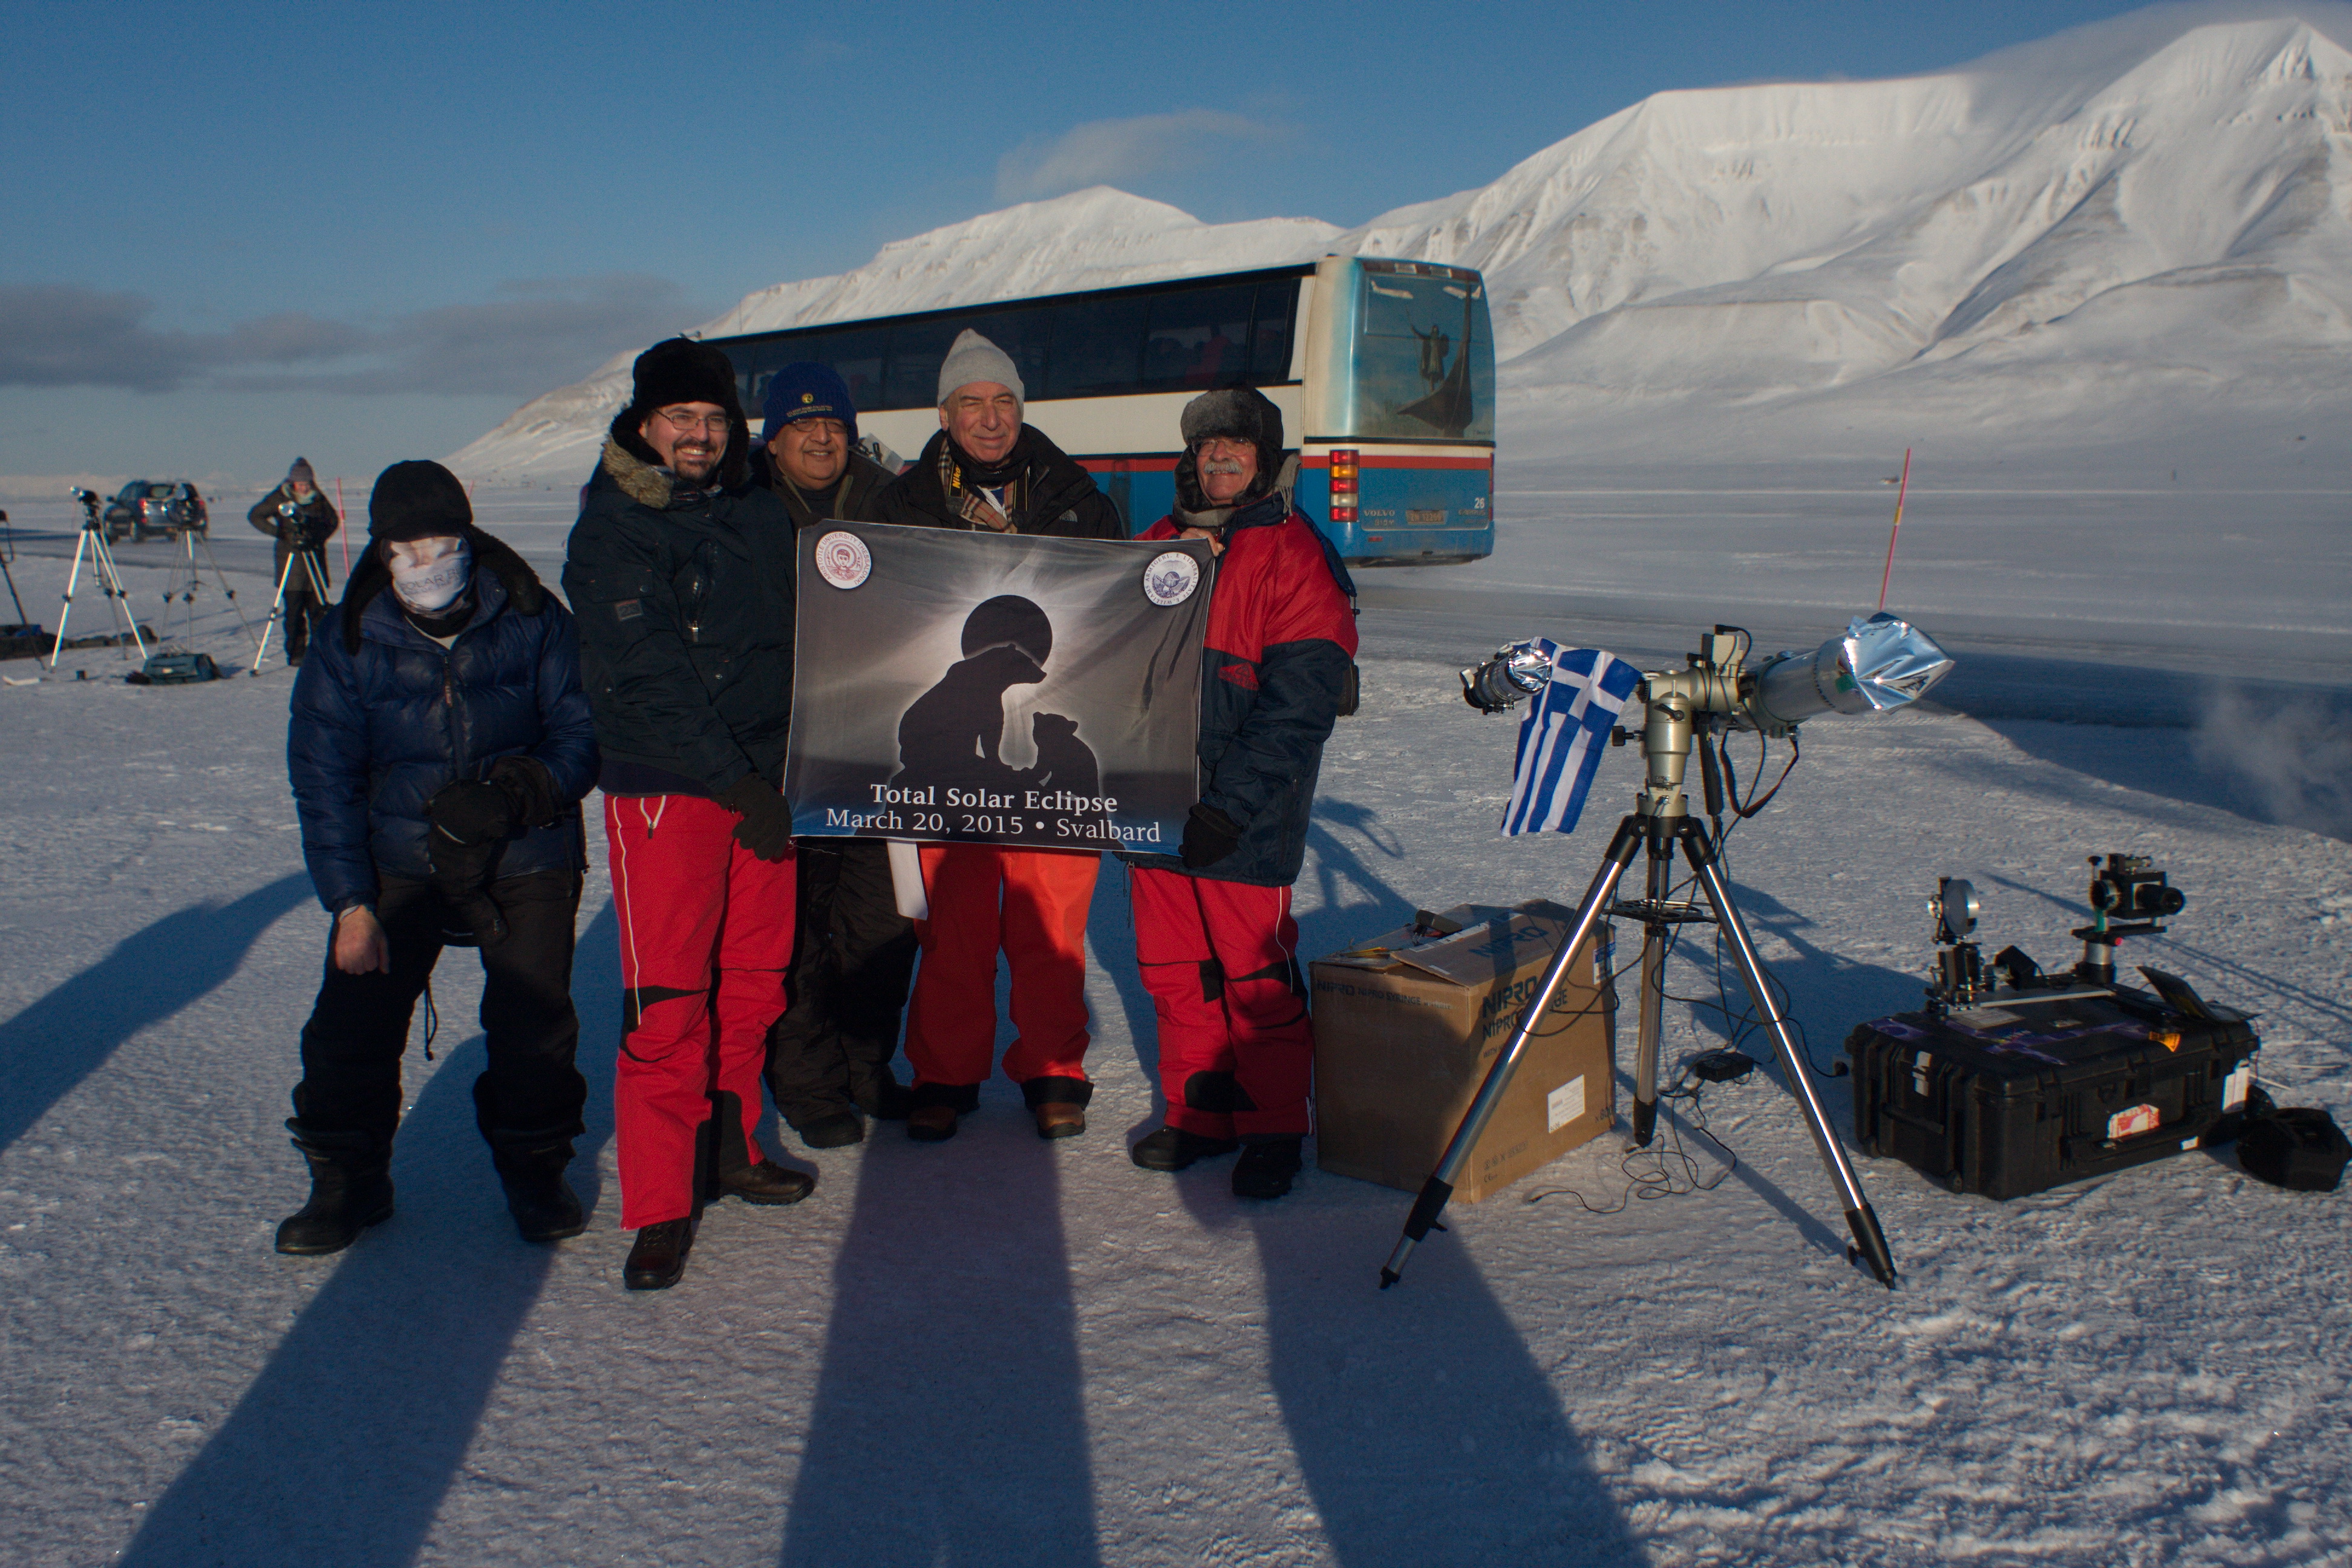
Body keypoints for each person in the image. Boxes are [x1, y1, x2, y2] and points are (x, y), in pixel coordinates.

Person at [278, 460, 599, 1255]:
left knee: (534, 1029)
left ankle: (534, 1170)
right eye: (406, 547)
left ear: (469, 534)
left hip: (525, 853)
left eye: (442, 541)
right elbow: (324, 780)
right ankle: (349, 1181)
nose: (427, 561)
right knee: (349, 1029)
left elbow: (582, 736)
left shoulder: (533, 615)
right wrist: (352, 904)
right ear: (381, 552)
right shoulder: (349, 638)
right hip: (399, 859)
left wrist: (516, 793)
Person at [563, 336, 811, 1292]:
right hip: (671, 785)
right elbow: (647, 672)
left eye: (711, 419)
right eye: (681, 420)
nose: (699, 436)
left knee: (752, 977)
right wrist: (734, 781)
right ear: (645, 423)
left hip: (764, 777)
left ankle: (735, 1144)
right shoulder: (615, 525)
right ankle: (663, 1202)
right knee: (668, 1001)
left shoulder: (754, 503)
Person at [874, 330, 1125, 1143]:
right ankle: (945, 1072)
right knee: (955, 928)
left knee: (1050, 925)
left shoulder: (1073, 496)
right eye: (973, 404)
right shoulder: (905, 506)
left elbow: (1121, 611)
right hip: (949, 782)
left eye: (1005, 402)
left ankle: (1053, 1068)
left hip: (1057, 748)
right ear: (943, 413)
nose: (991, 419)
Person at [1119, 386, 1358, 1200]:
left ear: (1264, 459)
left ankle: (1274, 1126)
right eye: (1206, 446)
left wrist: (1228, 805)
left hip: (1243, 815)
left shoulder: (1295, 552)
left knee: (1254, 978)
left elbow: (1301, 704)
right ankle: (1198, 1114)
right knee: (1172, 967)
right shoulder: (1156, 544)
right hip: (1153, 802)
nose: (1218, 458)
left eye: (1237, 447)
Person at [750, 362, 916, 1148]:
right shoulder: (742, 507)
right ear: (774, 438)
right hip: (787, 752)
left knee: (881, 923)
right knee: (798, 928)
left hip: (881, 747)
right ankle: (808, 1078)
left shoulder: (890, 500)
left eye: (835, 425)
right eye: (803, 426)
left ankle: (866, 1064)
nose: (822, 438)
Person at [249, 457, 341, 664]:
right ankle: (296, 653)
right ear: (292, 483)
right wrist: (281, 533)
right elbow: (255, 516)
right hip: (291, 565)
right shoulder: (280, 497)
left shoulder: (318, 498)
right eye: (300, 483)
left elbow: (332, 520)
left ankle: (320, 652)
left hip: (314, 561)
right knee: (294, 613)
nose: (304, 487)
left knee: (318, 612)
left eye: (307, 483)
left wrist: (317, 537)